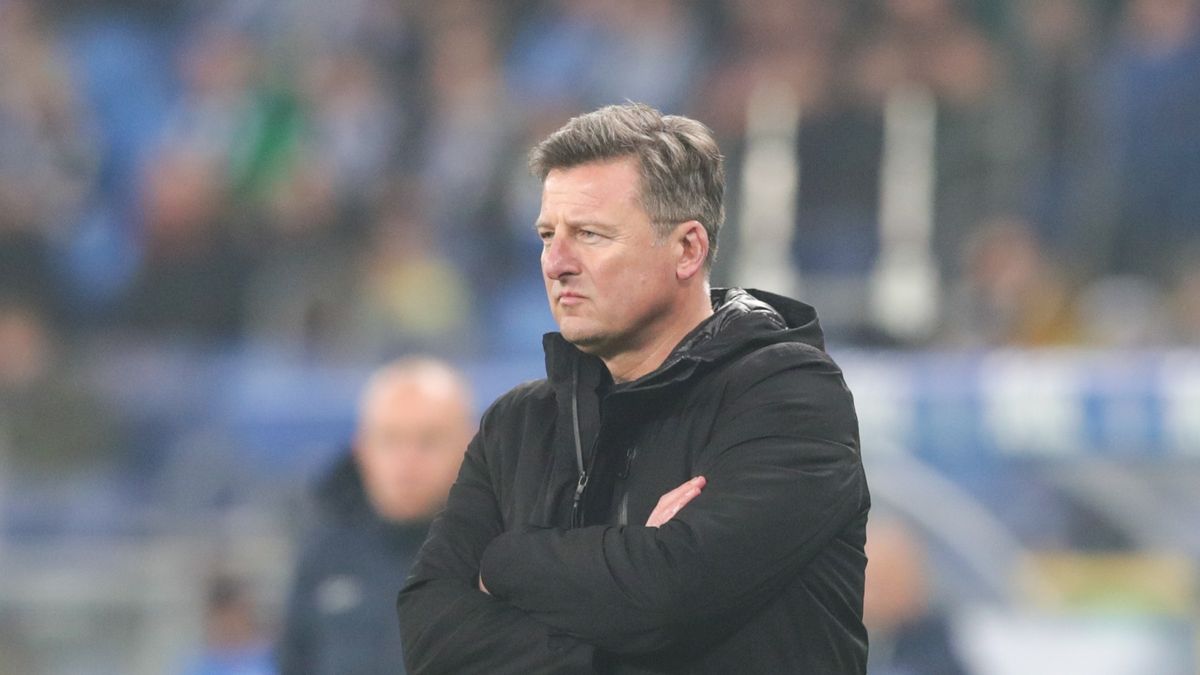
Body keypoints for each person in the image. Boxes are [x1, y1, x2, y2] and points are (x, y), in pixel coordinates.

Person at [397, 103, 870, 673]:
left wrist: (502, 563)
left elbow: (668, 597)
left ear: (688, 250)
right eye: (549, 235)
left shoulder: (787, 396)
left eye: (590, 235)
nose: (555, 263)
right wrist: (624, 596)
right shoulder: (518, 424)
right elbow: (432, 638)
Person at [277, 358, 474, 675]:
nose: (407, 461)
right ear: (363, 449)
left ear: (470, 446)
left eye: (429, 440)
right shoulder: (324, 556)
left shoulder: (507, 554)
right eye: (390, 440)